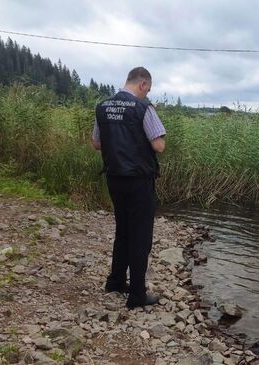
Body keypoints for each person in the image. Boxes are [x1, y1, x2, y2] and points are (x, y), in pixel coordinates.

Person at [92, 66, 166, 309]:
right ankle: (136, 295)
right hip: (139, 180)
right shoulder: (143, 108)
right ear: (142, 84)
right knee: (140, 237)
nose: (147, 94)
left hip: (114, 177)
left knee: (123, 230)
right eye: (148, 90)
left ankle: (115, 281)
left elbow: (96, 143)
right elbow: (159, 146)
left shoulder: (102, 107)